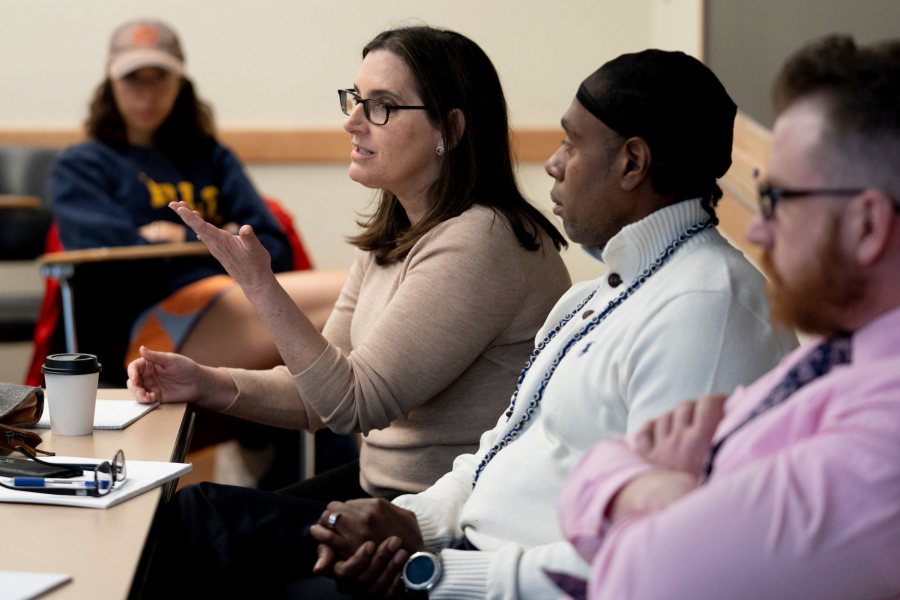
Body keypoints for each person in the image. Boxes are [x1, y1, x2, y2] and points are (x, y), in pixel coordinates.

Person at [145, 48, 798, 598]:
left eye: (572, 141)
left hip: (479, 575)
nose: (553, 161)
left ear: (632, 163)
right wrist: (414, 524)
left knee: (199, 537)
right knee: (195, 523)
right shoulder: (602, 294)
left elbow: (657, 561)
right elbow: (500, 453)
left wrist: (434, 567)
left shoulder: (708, 310)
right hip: (453, 544)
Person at [130, 24, 571, 516]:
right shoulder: (397, 229)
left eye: (381, 105)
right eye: (355, 99)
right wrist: (204, 383)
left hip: (442, 515)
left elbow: (353, 404)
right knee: (184, 515)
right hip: (382, 491)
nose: (353, 122)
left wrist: (258, 283)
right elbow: (318, 397)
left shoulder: (483, 239)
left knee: (194, 521)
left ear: (450, 129)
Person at [555, 35, 900, 599]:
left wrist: (638, 488)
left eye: (780, 201)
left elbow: (638, 581)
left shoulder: (883, 441)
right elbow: (591, 483)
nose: (759, 232)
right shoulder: (836, 355)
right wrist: (651, 492)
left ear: (867, 225)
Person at [49, 18, 345, 386]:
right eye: (133, 78)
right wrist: (224, 240)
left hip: (235, 299)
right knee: (358, 293)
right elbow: (114, 266)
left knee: (361, 296)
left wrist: (179, 240)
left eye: (160, 77)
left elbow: (275, 249)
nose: (147, 93)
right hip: (145, 332)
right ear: (111, 84)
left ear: (180, 83)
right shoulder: (82, 165)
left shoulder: (213, 157)